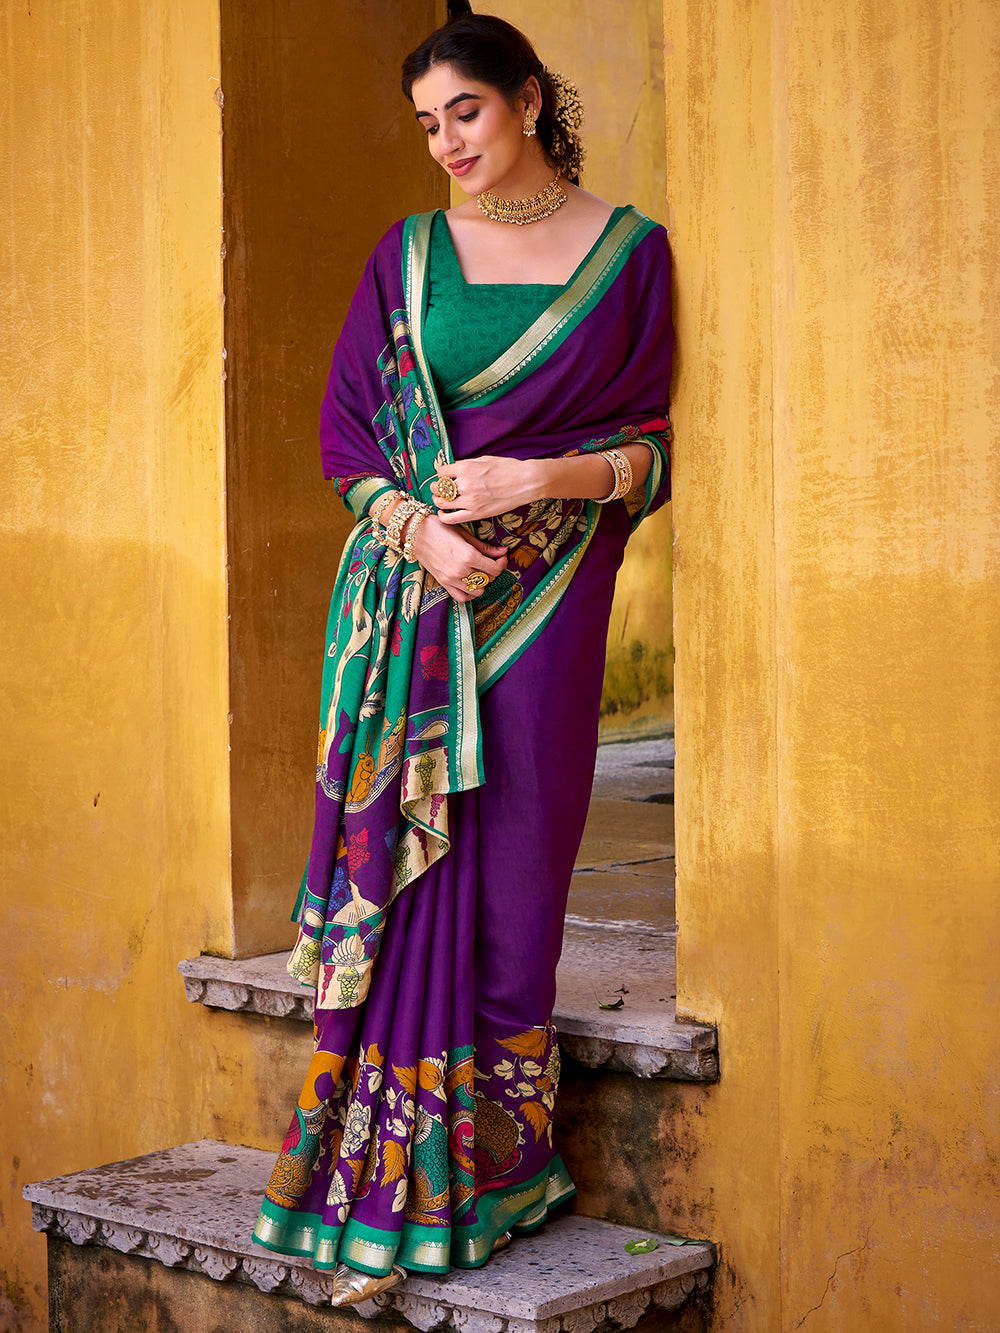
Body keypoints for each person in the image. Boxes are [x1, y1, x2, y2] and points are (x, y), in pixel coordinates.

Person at [252, 1, 673, 1307]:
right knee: (417, 885)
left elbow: (651, 455)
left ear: (529, 98)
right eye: (427, 124)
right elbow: (346, 443)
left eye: (467, 112)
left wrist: (539, 473)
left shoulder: (630, 255)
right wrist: (426, 539)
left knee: (519, 871)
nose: (446, 142)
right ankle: (387, 1182)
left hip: (547, 604)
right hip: (415, 609)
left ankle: (492, 1169)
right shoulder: (409, 257)